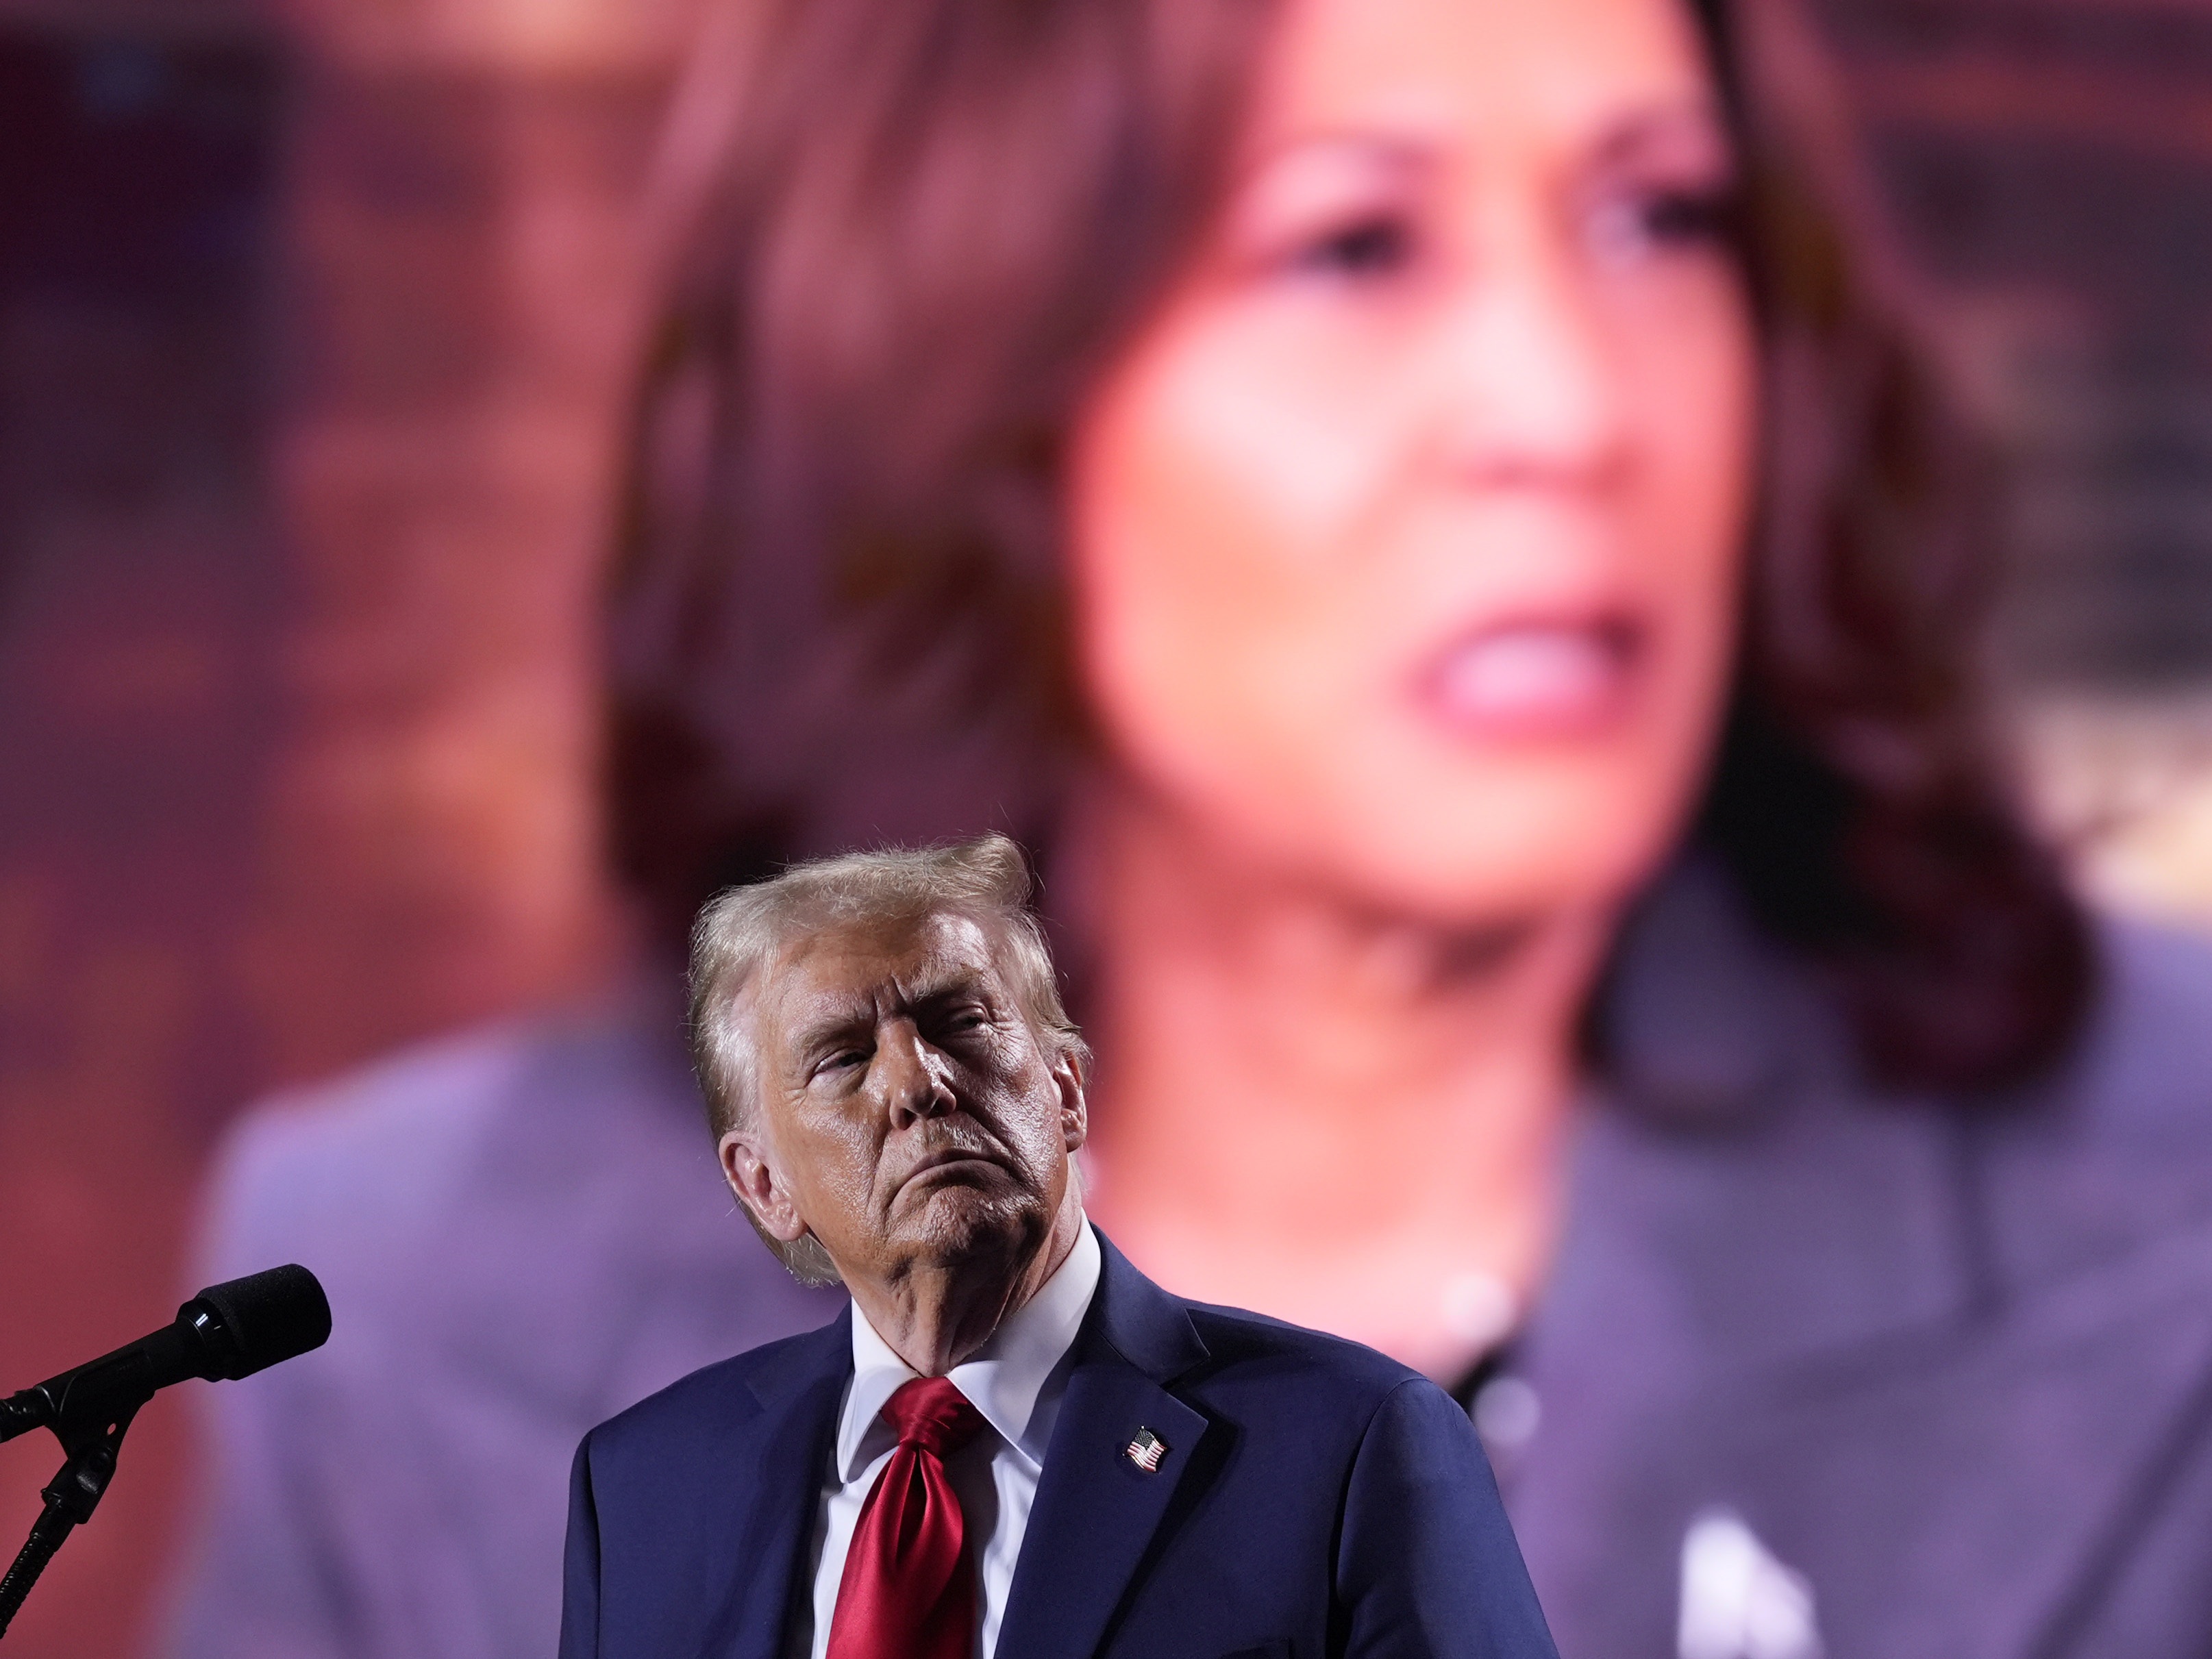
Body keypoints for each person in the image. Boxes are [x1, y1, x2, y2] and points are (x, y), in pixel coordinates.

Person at [175, 0, 2212, 1655]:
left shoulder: (2162, 1212)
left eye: (1654, 219)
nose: (1566, 405)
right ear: (959, 384)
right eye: (1350, 246)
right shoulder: (407, 1310)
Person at [560, 835, 1558, 1659]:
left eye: (959, 1023)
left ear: (1068, 1091)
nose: (918, 1085)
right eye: (844, 1057)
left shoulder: (1351, 1447)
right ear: (762, 1183)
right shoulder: (646, 1488)